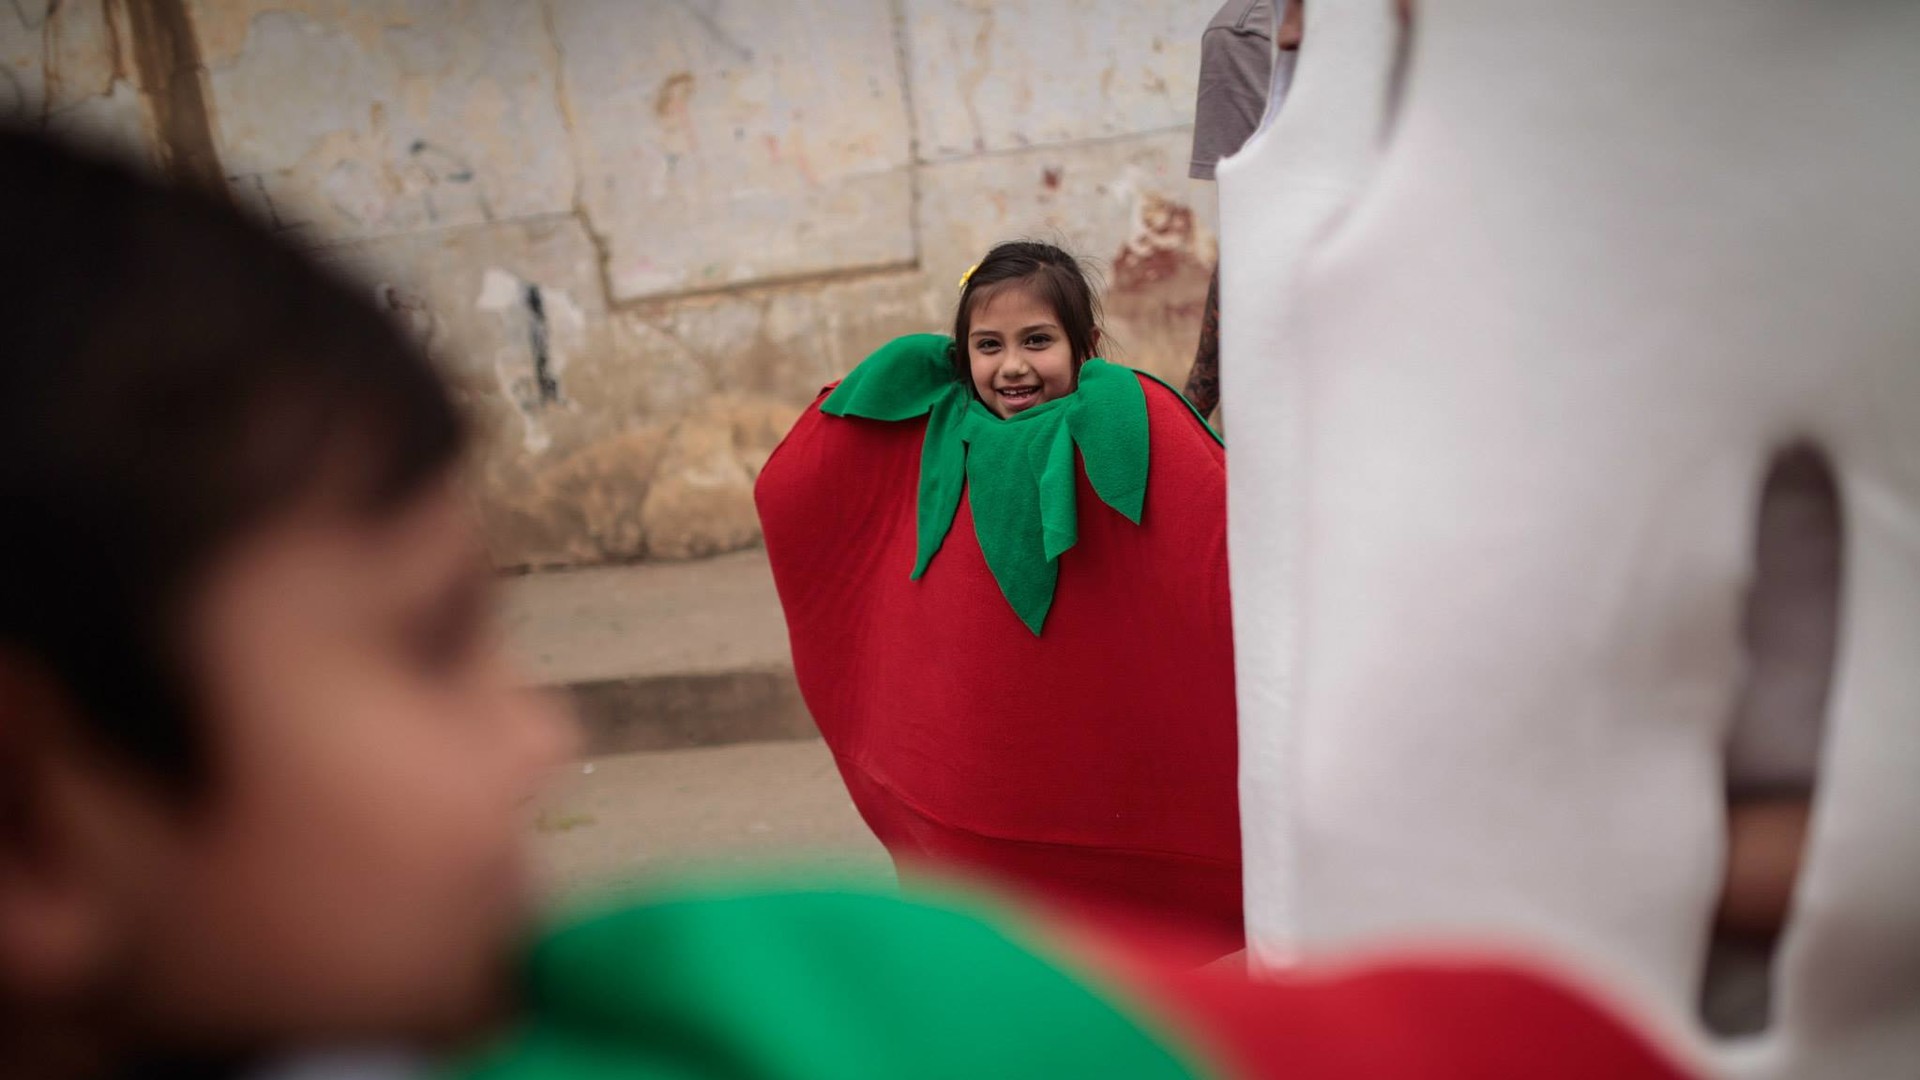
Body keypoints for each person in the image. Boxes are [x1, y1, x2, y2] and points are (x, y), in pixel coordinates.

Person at [0, 131, 1697, 1080]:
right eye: (429, 647)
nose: (539, 736)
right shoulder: (741, 1019)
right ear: (34, 836)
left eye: (1039, 345)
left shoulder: (711, 1004)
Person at [757, 240, 1245, 956]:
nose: (1012, 365)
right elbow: (801, 489)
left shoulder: (1126, 424)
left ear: (1086, 345)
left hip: (1094, 764)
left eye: (1037, 341)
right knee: (1000, 935)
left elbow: (1216, 542)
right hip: (972, 769)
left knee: (1105, 948)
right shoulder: (935, 434)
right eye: (989, 345)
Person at [1182, 0, 1303, 421]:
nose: (1293, 34)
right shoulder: (1247, 31)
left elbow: (1250, 238)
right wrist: (1190, 417)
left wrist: (1192, 412)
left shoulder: (1247, 31)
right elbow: (1251, 233)